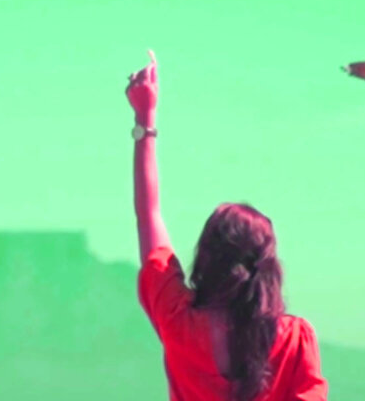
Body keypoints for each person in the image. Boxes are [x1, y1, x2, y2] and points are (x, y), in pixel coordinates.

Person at [127, 51, 328, 401]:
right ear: (267, 267)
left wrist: (145, 118)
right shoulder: (293, 341)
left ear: (206, 255)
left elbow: (149, 215)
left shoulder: (178, 321)